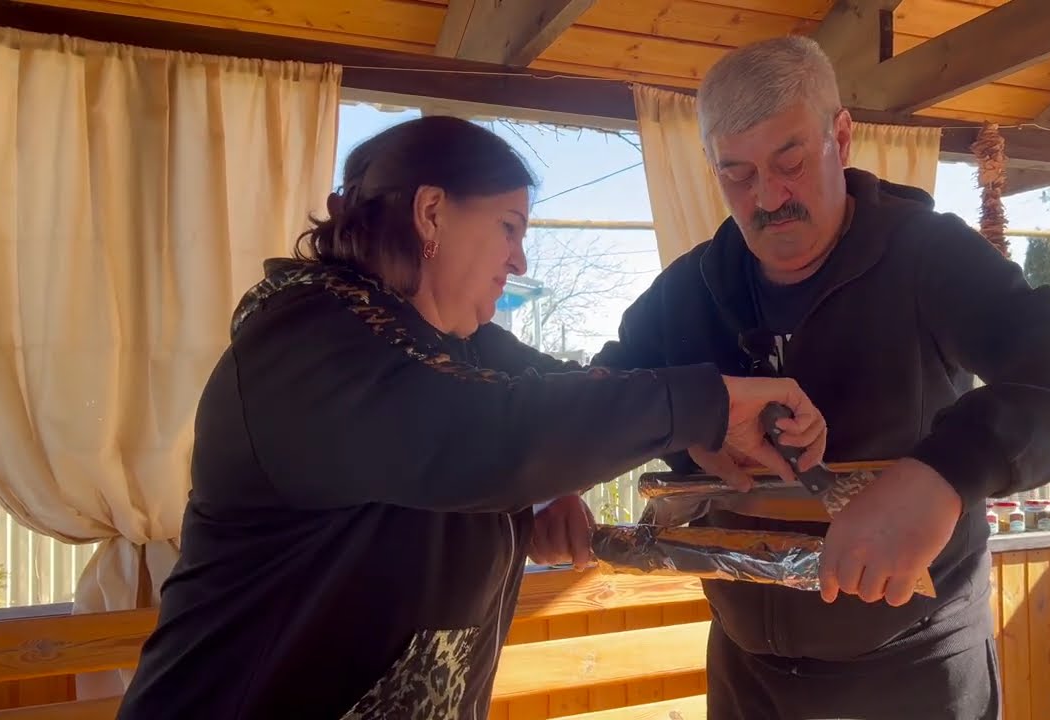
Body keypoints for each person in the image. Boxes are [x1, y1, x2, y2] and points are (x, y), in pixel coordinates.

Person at [115, 115, 827, 720]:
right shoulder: (302, 343)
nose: (519, 262)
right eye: (509, 228)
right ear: (431, 213)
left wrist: (545, 494)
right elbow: (483, 437)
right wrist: (705, 405)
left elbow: (561, 397)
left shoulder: (451, 343)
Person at [532, 36, 1050, 719]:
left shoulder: (929, 254)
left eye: (789, 162)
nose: (768, 197)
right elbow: (604, 397)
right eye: (737, 174)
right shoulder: (687, 290)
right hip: (746, 674)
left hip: (915, 669)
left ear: (840, 139)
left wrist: (944, 474)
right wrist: (554, 485)